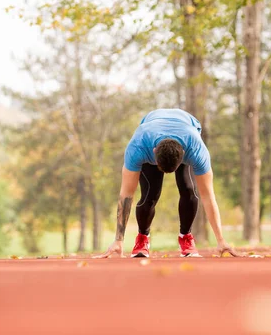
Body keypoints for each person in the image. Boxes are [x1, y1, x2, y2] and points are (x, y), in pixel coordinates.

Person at [95, 108, 240, 258]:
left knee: (189, 189)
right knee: (150, 194)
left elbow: (208, 196)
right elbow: (126, 195)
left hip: (187, 125)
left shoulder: (196, 149)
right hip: (150, 126)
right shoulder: (138, 147)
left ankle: (186, 237)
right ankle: (142, 239)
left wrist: (221, 240)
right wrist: (118, 240)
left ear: (184, 155)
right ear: (154, 151)